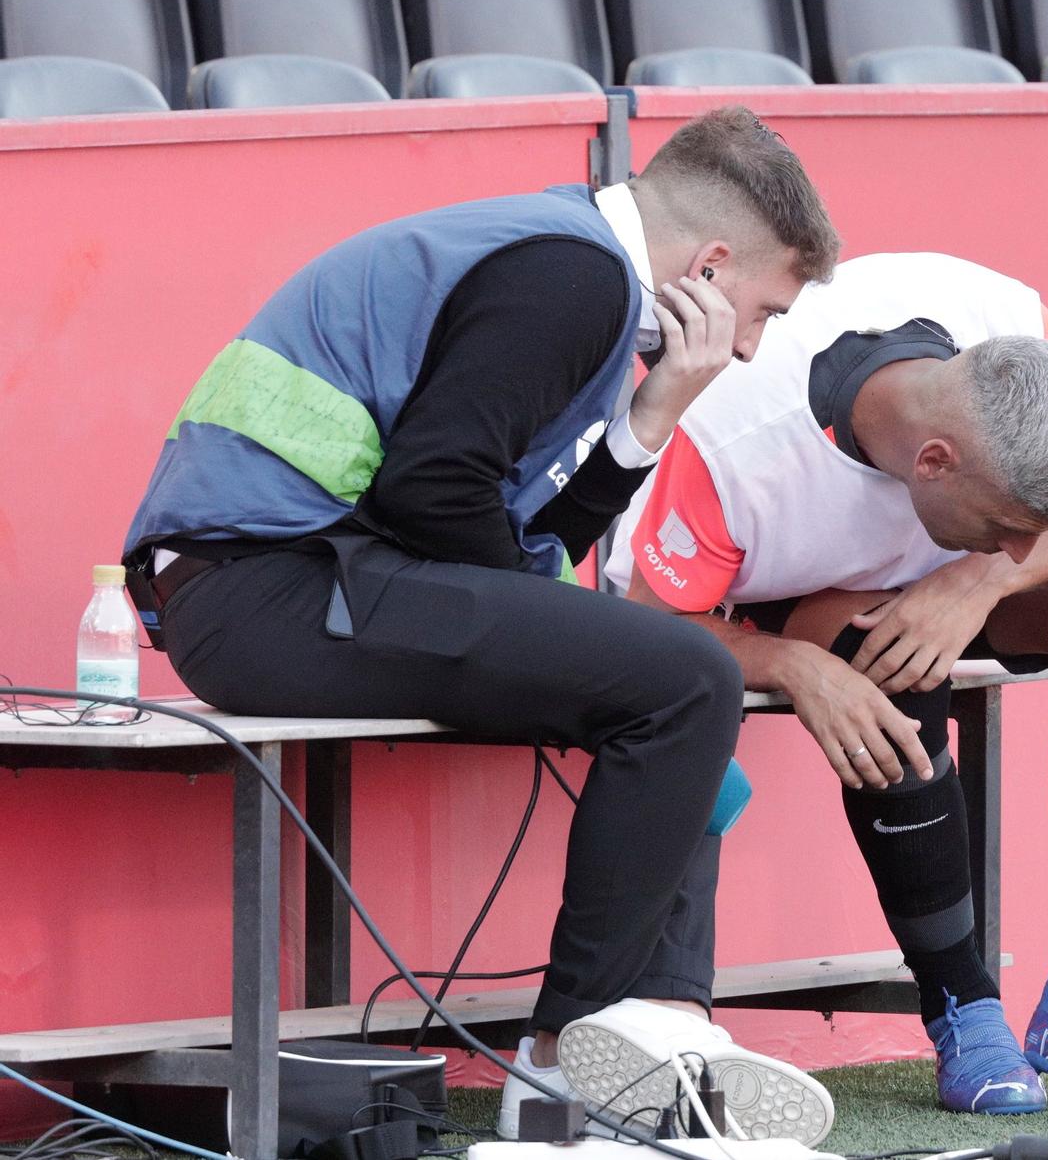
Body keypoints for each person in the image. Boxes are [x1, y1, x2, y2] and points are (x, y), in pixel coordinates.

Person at [121, 107, 844, 1142]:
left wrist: (654, 414)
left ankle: (663, 1036)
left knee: (677, 697)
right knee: (683, 678)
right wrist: (563, 622)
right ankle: (563, 1074)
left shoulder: (563, 259)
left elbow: (518, 537)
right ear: (713, 265)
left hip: (305, 578)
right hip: (267, 593)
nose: (749, 344)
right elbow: (434, 495)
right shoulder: (571, 277)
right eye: (763, 311)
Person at [609, 251, 1048, 1116]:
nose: (1018, 550)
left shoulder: (1010, 324)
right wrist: (791, 664)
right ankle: (962, 1006)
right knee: (887, 651)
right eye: (1007, 530)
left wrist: (981, 579)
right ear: (933, 460)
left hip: (937, 575)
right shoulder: (731, 439)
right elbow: (639, 629)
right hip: (803, 597)